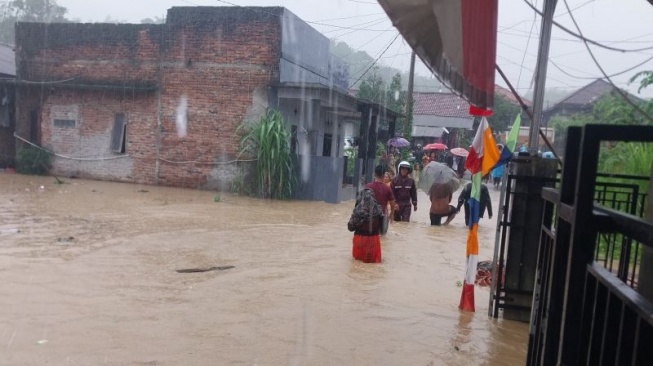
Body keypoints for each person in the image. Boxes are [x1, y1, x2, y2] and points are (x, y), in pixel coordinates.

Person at [347, 188, 384, 263]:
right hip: (374, 240)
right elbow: (383, 228)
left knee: (358, 264)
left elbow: (351, 227)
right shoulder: (379, 209)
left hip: (360, 239)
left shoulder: (358, 209)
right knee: (374, 264)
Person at [365, 164, 396, 234]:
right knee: (382, 237)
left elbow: (362, 202)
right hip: (382, 215)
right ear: (384, 174)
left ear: (374, 174)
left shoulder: (367, 186)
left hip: (369, 215)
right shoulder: (387, 188)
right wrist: (392, 214)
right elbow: (392, 203)